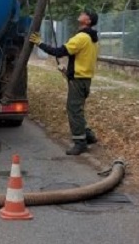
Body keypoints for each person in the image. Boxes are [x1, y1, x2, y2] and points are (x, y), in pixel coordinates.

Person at [29, 10, 100, 155]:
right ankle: (88, 135)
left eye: (84, 13)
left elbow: (59, 51)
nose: (81, 13)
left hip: (78, 80)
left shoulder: (81, 37)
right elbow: (81, 59)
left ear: (88, 21)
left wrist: (40, 43)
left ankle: (80, 143)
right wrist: (67, 71)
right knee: (78, 108)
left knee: (73, 110)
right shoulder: (93, 38)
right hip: (85, 79)